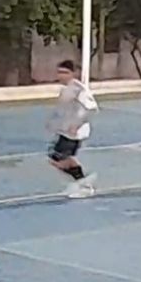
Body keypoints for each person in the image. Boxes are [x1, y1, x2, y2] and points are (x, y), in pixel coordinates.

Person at [47, 60, 98, 199]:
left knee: (59, 158)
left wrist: (76, 124)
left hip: (74, 133)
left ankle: (84, 182)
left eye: (65, 72)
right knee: (60, 157)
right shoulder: (66, 89)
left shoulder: (78, 89)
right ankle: (81, 181)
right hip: (65, 131)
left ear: (73, 73)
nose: (61, 75)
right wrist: (54, 124)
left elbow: (90, 109)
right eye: (59, 72)